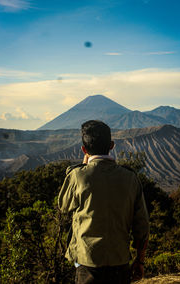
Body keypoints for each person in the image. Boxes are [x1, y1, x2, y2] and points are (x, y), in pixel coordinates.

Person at [58, 120, 149, 284]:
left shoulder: (77, 176)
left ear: (84, 150)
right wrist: (139, 261)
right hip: (119, 262)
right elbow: (142, 226)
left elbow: (64, 206)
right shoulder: (130, 178)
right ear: (112, 145)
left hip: (87, 262)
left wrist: (81, 167)